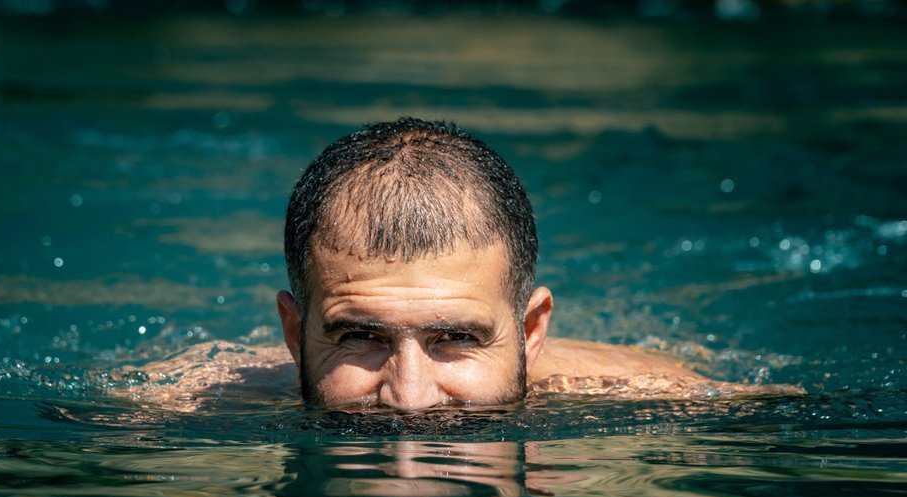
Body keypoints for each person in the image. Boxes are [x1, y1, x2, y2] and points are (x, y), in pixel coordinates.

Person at [121, 118, 796, 412]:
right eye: (360, 336)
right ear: (294, 333)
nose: (409, 398)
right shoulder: (182, 401)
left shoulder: (670, 401)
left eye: (458, 337)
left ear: (531, 330)